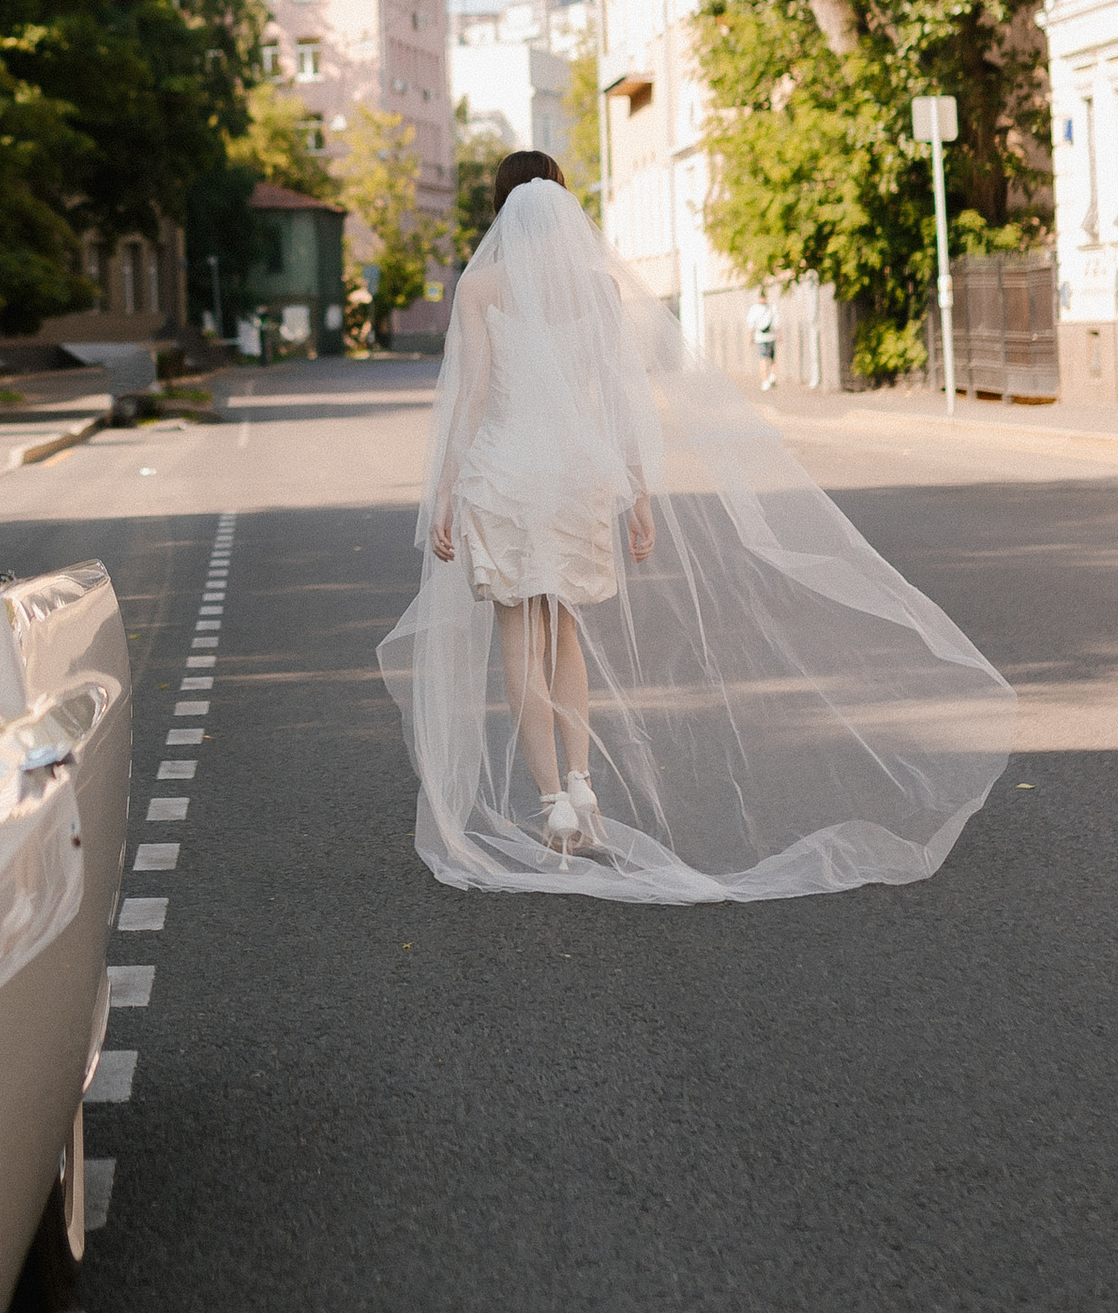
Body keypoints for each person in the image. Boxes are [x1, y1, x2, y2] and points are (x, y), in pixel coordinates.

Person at [380, 148, 1011, 901]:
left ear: (501, 206)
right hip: (579, 476)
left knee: (522, 636)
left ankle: (552, 804)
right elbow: (618, 393)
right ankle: (583, 782)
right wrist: (640, 494)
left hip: (507, 474)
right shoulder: (595, 286)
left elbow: (475, 394)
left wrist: (445, 493)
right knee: (567, 630)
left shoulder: (482, 286)